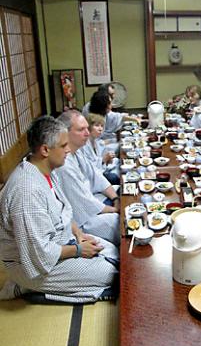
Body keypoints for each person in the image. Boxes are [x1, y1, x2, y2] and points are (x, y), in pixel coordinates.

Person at [0, 116, 118, 303]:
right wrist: (78, 250)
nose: (69, 150)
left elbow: (63, 211)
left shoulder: (44, 170)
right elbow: (38, 254)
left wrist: (79, 235)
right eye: (63, 146)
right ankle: (26, 287)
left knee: (112, 252)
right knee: (113, 273)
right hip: (34, 266)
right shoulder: (27, 191)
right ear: (45, 150)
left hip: (61, 244)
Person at [56, 110, 120, 245]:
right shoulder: (63, 164)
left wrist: (115, 198)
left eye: (87, 128)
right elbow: (85, 203)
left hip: (96, 201)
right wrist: (116, 208)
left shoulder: (77, 151)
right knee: (120, 221)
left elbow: (97, 176)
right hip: (84, 219)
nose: (87, 133)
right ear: (65, 133)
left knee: (121, 190)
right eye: (81, 129)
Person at [80, 113, 120, 185]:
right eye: (97, 125)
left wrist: (108, 160)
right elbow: (88, 169)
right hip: (93, 179)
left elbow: (101, 161)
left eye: (102, 126)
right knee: (115, 178)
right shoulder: (84, 145)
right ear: (88, 127)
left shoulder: (96, 141)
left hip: (100, 171)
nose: (100, 129)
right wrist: (104, 159)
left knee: (119, 164)